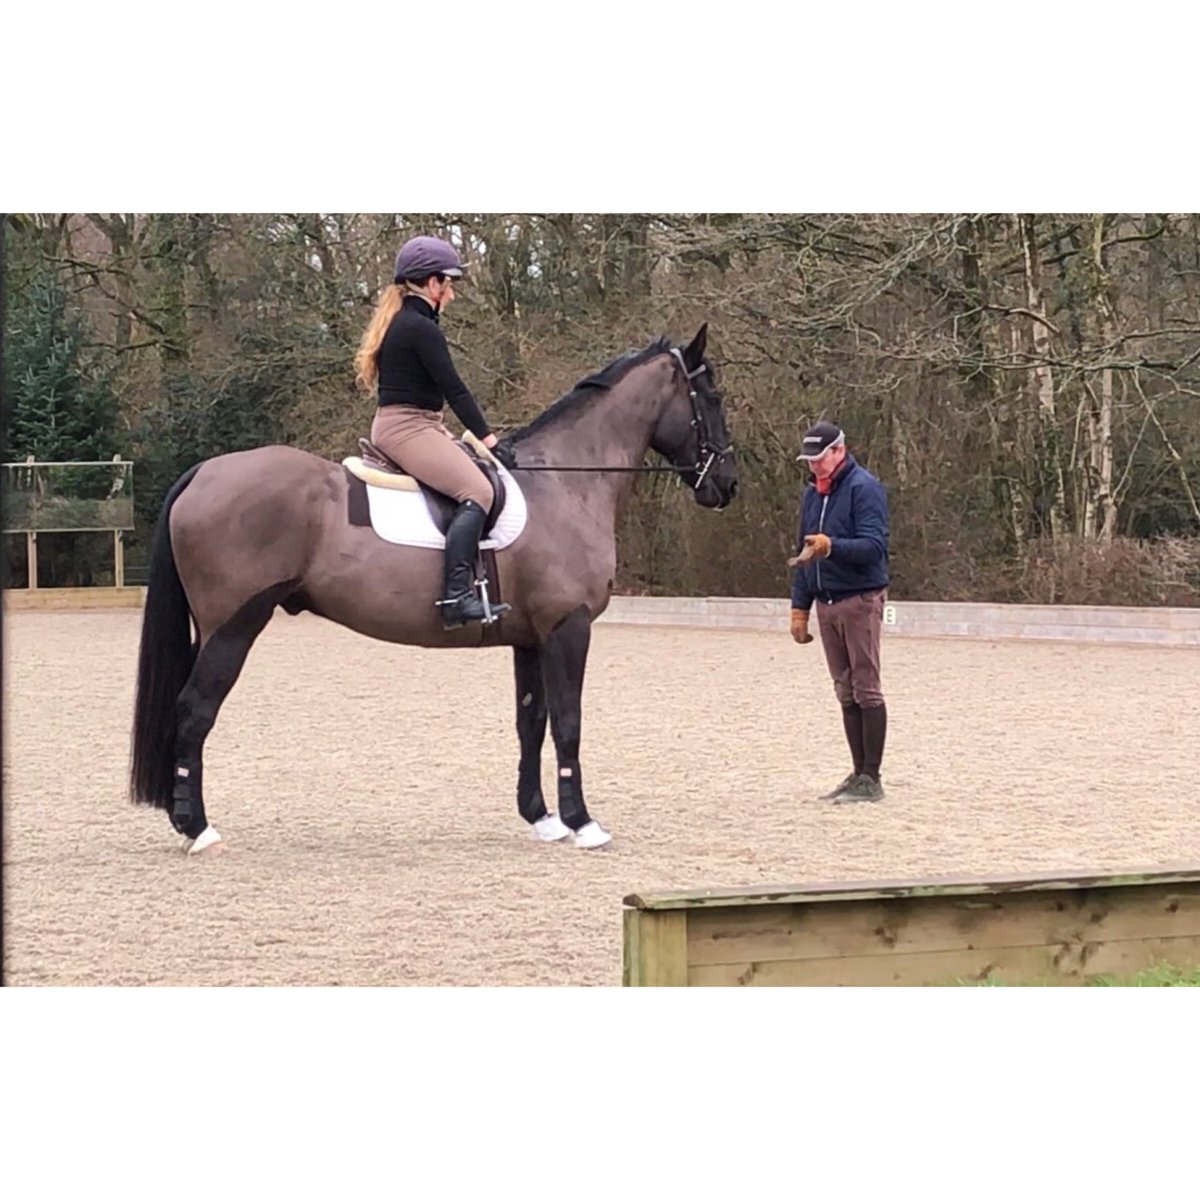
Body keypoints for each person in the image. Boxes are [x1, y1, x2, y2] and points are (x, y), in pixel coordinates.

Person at [353, 235, 510, 629]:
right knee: (479, 491)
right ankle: (456, 596)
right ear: (432, 283)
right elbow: (455, 390)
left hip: (418, 423)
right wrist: (491, 441)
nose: (452, 294)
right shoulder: (420, 328)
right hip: (408, 427)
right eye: (449, 284)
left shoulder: (405, 321)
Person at [788, 421, 890, 802]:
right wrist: (800, 607)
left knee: (867, 688)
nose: (814, 466)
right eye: (809, 460)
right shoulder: (813, 495)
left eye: (819, 458)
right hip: (825, 602)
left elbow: (874, 546)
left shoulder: (865, 489)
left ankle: (872, 777)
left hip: (859, 599)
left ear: (838, 451)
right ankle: (857, 770)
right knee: (845, 690)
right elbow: (803, 553)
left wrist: (833, 547)